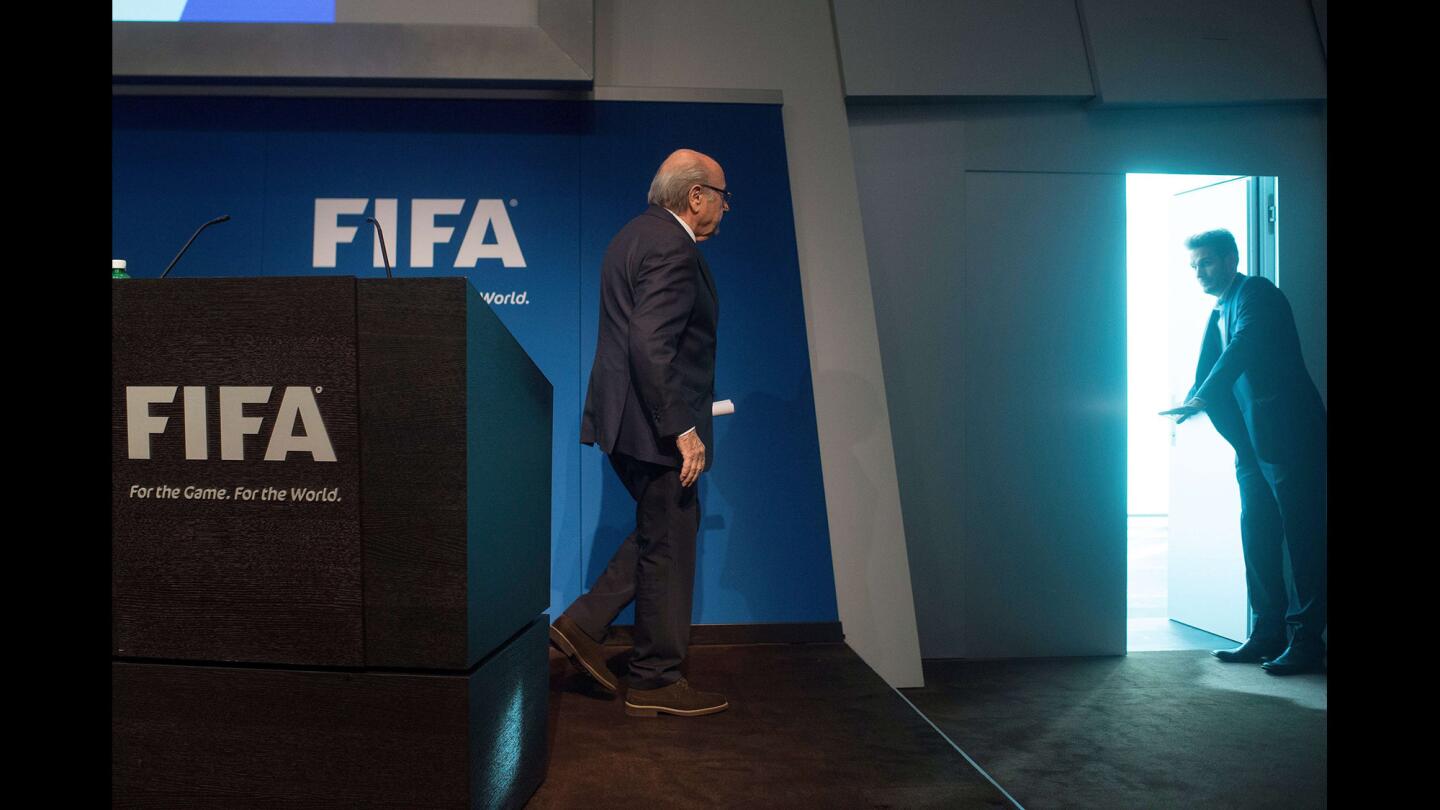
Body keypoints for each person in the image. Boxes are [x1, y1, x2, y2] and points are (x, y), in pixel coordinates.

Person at [549, 149, 729, 716]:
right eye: (722, 195)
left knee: (666, 529)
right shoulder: (674, 247)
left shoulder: (632, 235)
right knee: (670, 536)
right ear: (696, 196)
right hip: (652, 424)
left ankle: (584, 626)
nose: (725, 207)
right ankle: (655, 679)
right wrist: (682, 428)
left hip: (622, 417)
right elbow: (650, 344)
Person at [1161, 229, 1327, 676]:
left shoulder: (1257, 292)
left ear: (1232, 258)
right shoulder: (1218, 308)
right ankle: (1266, 633)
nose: (1199, 272)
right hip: (1252, 447)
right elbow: (1213, 364)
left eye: (1208, 262)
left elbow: (1243, 347)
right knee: (1258, 536)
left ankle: (1308, 642)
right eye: (1193, 265)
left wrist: (1199, 397)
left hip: (1292, 439)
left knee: (1304, 539)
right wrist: (1196, 396)